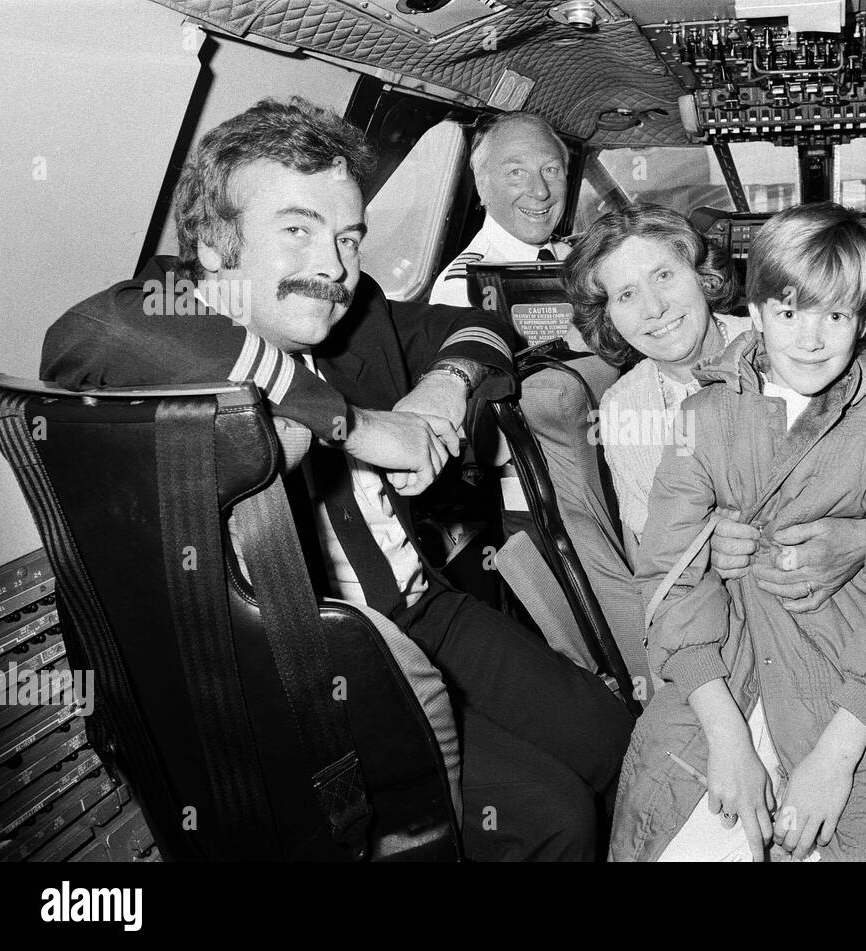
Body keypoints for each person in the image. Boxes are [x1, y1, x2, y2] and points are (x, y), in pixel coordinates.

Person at [40, 97, 632, 862]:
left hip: (427, 607)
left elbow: (483, 328)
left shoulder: (359, 319)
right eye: (297, 230)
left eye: (348, 236)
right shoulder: (165, 342)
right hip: (317, 667)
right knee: (553, 816)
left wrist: (441, 387)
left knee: (613, 737)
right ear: (216, 252)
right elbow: (84, 334)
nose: (334, 265)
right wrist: (351, 421)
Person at [610, 202, 866, 862]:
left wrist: (836, 758)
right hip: (728, 661)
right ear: (756, 313)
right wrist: (729, 738)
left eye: (835, 315)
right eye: (788, 312)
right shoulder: (701, 414)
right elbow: (671, 583)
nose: (810, 338)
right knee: (658, 811)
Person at [564, 203, 866, 611]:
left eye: (664, 276)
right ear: (608, 316)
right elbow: (650, 554)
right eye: (625, 295)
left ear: (703, 277)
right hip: (726, 621)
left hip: (853, 610)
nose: (654, 308)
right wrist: (699, 553)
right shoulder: (623, 407)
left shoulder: (791, 340)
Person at [429, 111, 572, 307]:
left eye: (551, 170)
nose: (540, 192)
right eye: (516, 172)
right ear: (482, 185)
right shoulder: (467, 291)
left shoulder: (570, 256)